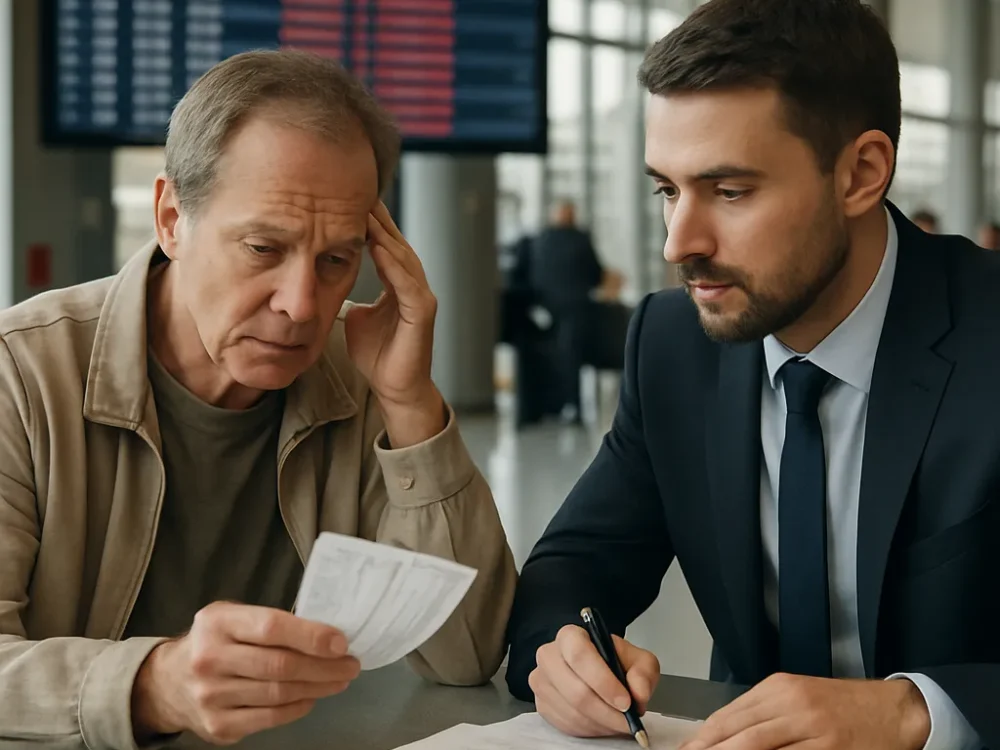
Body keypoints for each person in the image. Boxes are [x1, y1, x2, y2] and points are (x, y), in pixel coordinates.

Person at [506, 2, 999, 750]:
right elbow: (575, 565)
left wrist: (914, 712)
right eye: (666, 190)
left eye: (730, 192)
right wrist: (567, 652)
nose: (679, 243)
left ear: (862, 173)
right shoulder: (672, 343)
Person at [0, 50, 517, 748]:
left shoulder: (362, 375)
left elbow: (467, 654)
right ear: (171, 218)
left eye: (336, 260)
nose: (302, 306)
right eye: (263, 248)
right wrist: (152, 684)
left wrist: (412, 405)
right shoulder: (21, 375)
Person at [529, 200, 606, 423]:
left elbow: (536, 275)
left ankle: (553, 405)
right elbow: (595, 272)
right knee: (574, 356)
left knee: (554, 356)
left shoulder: (542, 240)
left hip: (547, 309)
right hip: (577, 308)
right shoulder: (580, 239)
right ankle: (575, 407)